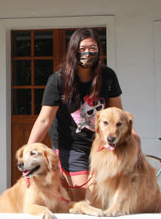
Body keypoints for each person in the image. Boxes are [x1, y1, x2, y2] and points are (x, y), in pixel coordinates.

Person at [26, 27, 126, 190]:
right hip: (71, 145)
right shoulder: (58, 80)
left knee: (105, 191)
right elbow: (44, 119)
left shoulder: (107, 76)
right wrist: (28, 150)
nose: (88, 53)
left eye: (92, 48)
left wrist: (133, 137)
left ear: (99, 50)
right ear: (73, 51)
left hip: (102, 144)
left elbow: (118, 113)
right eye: (82, 49)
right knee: (83, 193)